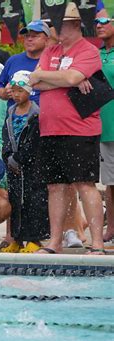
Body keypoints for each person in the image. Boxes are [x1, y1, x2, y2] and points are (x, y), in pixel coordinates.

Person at [29, 3, 105, 254]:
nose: (55, 29)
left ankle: (96, 242)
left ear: (74, 24)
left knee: (85, 184)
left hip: (80, 128)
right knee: (55, 185)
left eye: (59, 24)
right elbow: (33, 81)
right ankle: (54, 241)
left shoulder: (89, 51)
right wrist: (67, 78)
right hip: (50, 127)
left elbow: (67, 78)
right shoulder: (50, 51)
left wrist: (65, 77)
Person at [1, 71, 49, 253]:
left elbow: (35, 142)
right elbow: (6, 138)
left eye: (20, 90)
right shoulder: (10, 112)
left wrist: (20, 159)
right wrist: (8, 157)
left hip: (32, 166)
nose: (16, 94)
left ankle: (33, 238)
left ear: (29, 91)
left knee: (33, 201)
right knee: (15, 201)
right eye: (13, 91)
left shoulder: (36, 114)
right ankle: (17, 238)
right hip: (13, 165)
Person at [0, 20, 50, 109]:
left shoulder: (53, 62)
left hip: (43, 118)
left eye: (34, 36)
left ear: (47, 40)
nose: (29, 39)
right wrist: (5, 93)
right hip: (14, 119)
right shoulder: (13, 60)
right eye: (27, 36)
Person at [96, 15, 114, 243]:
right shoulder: (96, 55)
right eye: (97, 23)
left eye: (106, 21)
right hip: (105, 127)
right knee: (110, 183)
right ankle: (111, 229)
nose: (99, 26)